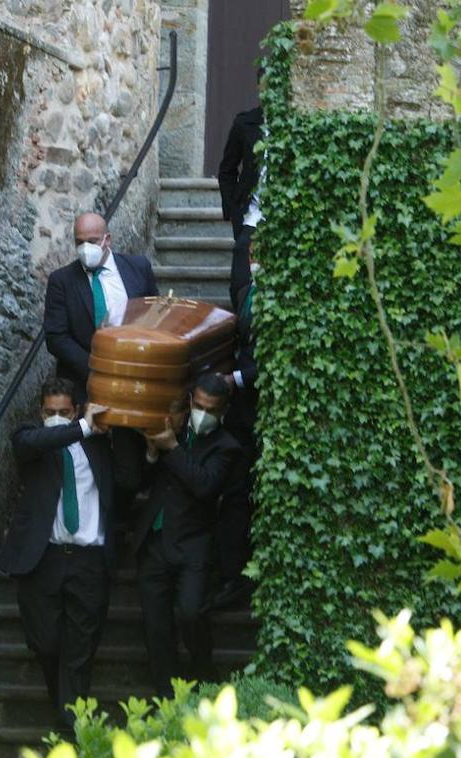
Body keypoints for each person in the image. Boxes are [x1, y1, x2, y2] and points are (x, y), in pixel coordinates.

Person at [0, 377, 117, 731]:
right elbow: (35, 440)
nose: (56, 418)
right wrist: (80, 427)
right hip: (44, 558)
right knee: (46, 644)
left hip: (89, 559)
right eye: (50, 412)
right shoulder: (31, 440)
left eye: (64, 412)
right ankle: (64, 707)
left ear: (76, 408)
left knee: (79, 651)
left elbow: (127, 478)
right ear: (40, 412)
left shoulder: (98, 447)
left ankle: (71, 726)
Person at [122, 373, 242, 695]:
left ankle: (203, 671)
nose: (203, 413)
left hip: (193, 544)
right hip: (154, 541)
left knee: (190, 612)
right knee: (156, 626)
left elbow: (204, 486)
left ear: (223, 411)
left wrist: (172, 448)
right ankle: (166, 694)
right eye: (199, 405)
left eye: (211, 409)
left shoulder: (226, 446)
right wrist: (151, 452)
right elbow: (141, 482)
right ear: (191, 401)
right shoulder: (171, 427)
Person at [43, 212, 158, 400]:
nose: (85, 248)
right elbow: (56, 337)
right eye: (79, 242)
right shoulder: (61, 281)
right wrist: (96, 369)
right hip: (85, 383)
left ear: (108, 239)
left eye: (92, 241)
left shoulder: (138, 268)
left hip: (137, 375)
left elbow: (153, 316)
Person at [211, 245, 260, 611]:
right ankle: (232, 573)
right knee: (234, 494)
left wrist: (238, 379)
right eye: (251, 253)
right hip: (241, 413)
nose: (253, 260)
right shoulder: (246, 293)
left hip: (260, 406)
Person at [217, 100, 264, 241]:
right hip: (250, 213)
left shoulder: (294, 124)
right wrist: (233, 209)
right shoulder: (244, 123)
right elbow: (227, 170)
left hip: (284, 216)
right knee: (242, 254)